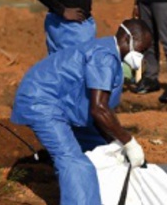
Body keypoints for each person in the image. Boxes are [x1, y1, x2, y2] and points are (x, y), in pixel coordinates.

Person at [11, 19, 152, 205]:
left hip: (60, 102)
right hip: (41, 100)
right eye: (141, 50)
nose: (141, 56)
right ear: (127, 38)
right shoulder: (105, 57)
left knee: (100, 148)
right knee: (75, 162)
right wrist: (128, 142)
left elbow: (100, 112)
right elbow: (99, 109)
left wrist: (115, 142)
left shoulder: (108, 55)